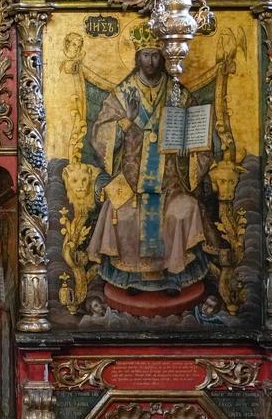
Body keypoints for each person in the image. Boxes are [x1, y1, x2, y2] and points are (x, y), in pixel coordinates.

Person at [84, 32, 212, 293]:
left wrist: (189, 151)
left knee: (183, 211)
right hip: (131, 186)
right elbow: (100, 136)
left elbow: (199, 139)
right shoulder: (122, 95)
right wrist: (126, 120)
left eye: (156, 55)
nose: (151, 61)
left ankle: (175, 273)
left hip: (171, 186)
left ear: (164, 57)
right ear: (137, 57)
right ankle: (129, 277)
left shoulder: (178, 94)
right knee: (120, 213)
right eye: (146, 55)